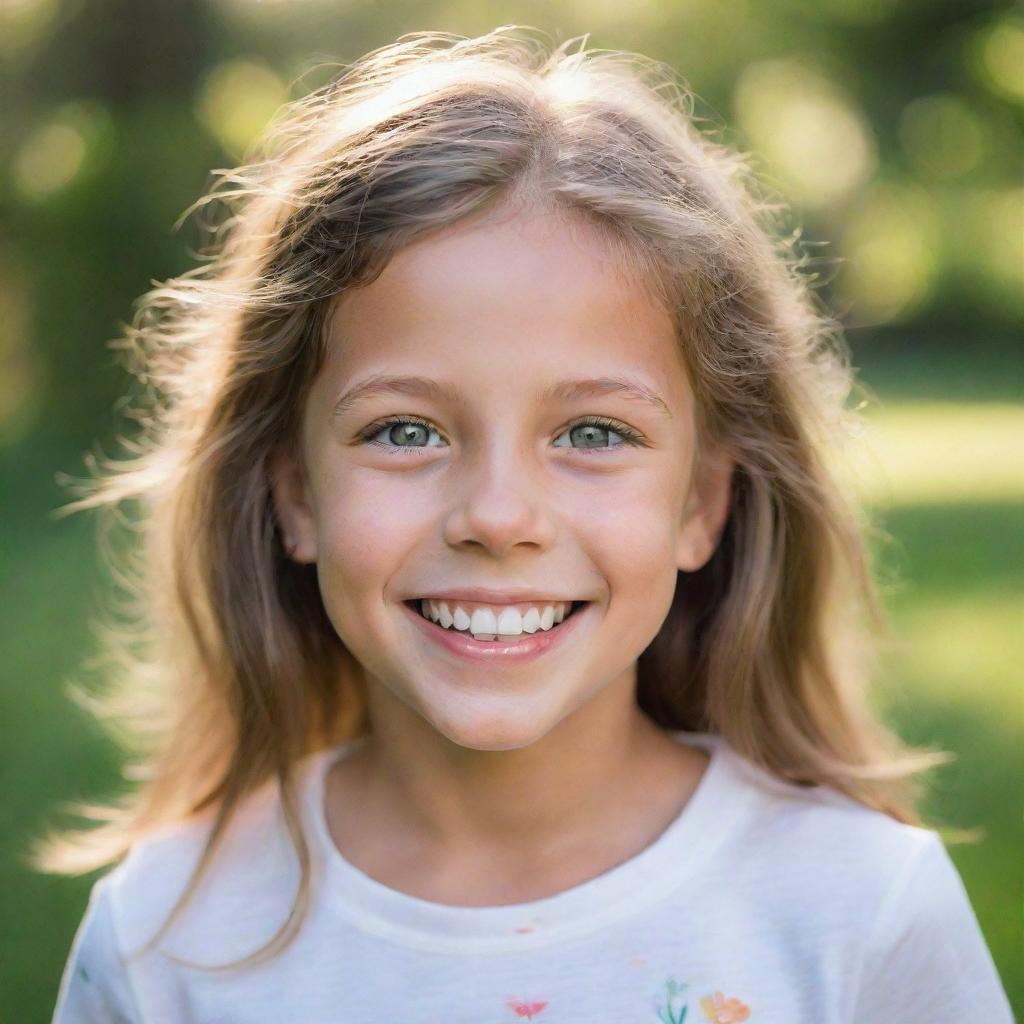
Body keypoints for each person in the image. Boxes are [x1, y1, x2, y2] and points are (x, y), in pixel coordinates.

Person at [42, 25, 1013, 1024]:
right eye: (405, 429)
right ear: (294, 496)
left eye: (593, 430)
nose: (498, 516)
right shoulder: (168, 940)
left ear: (701, 503)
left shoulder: (858, 908)